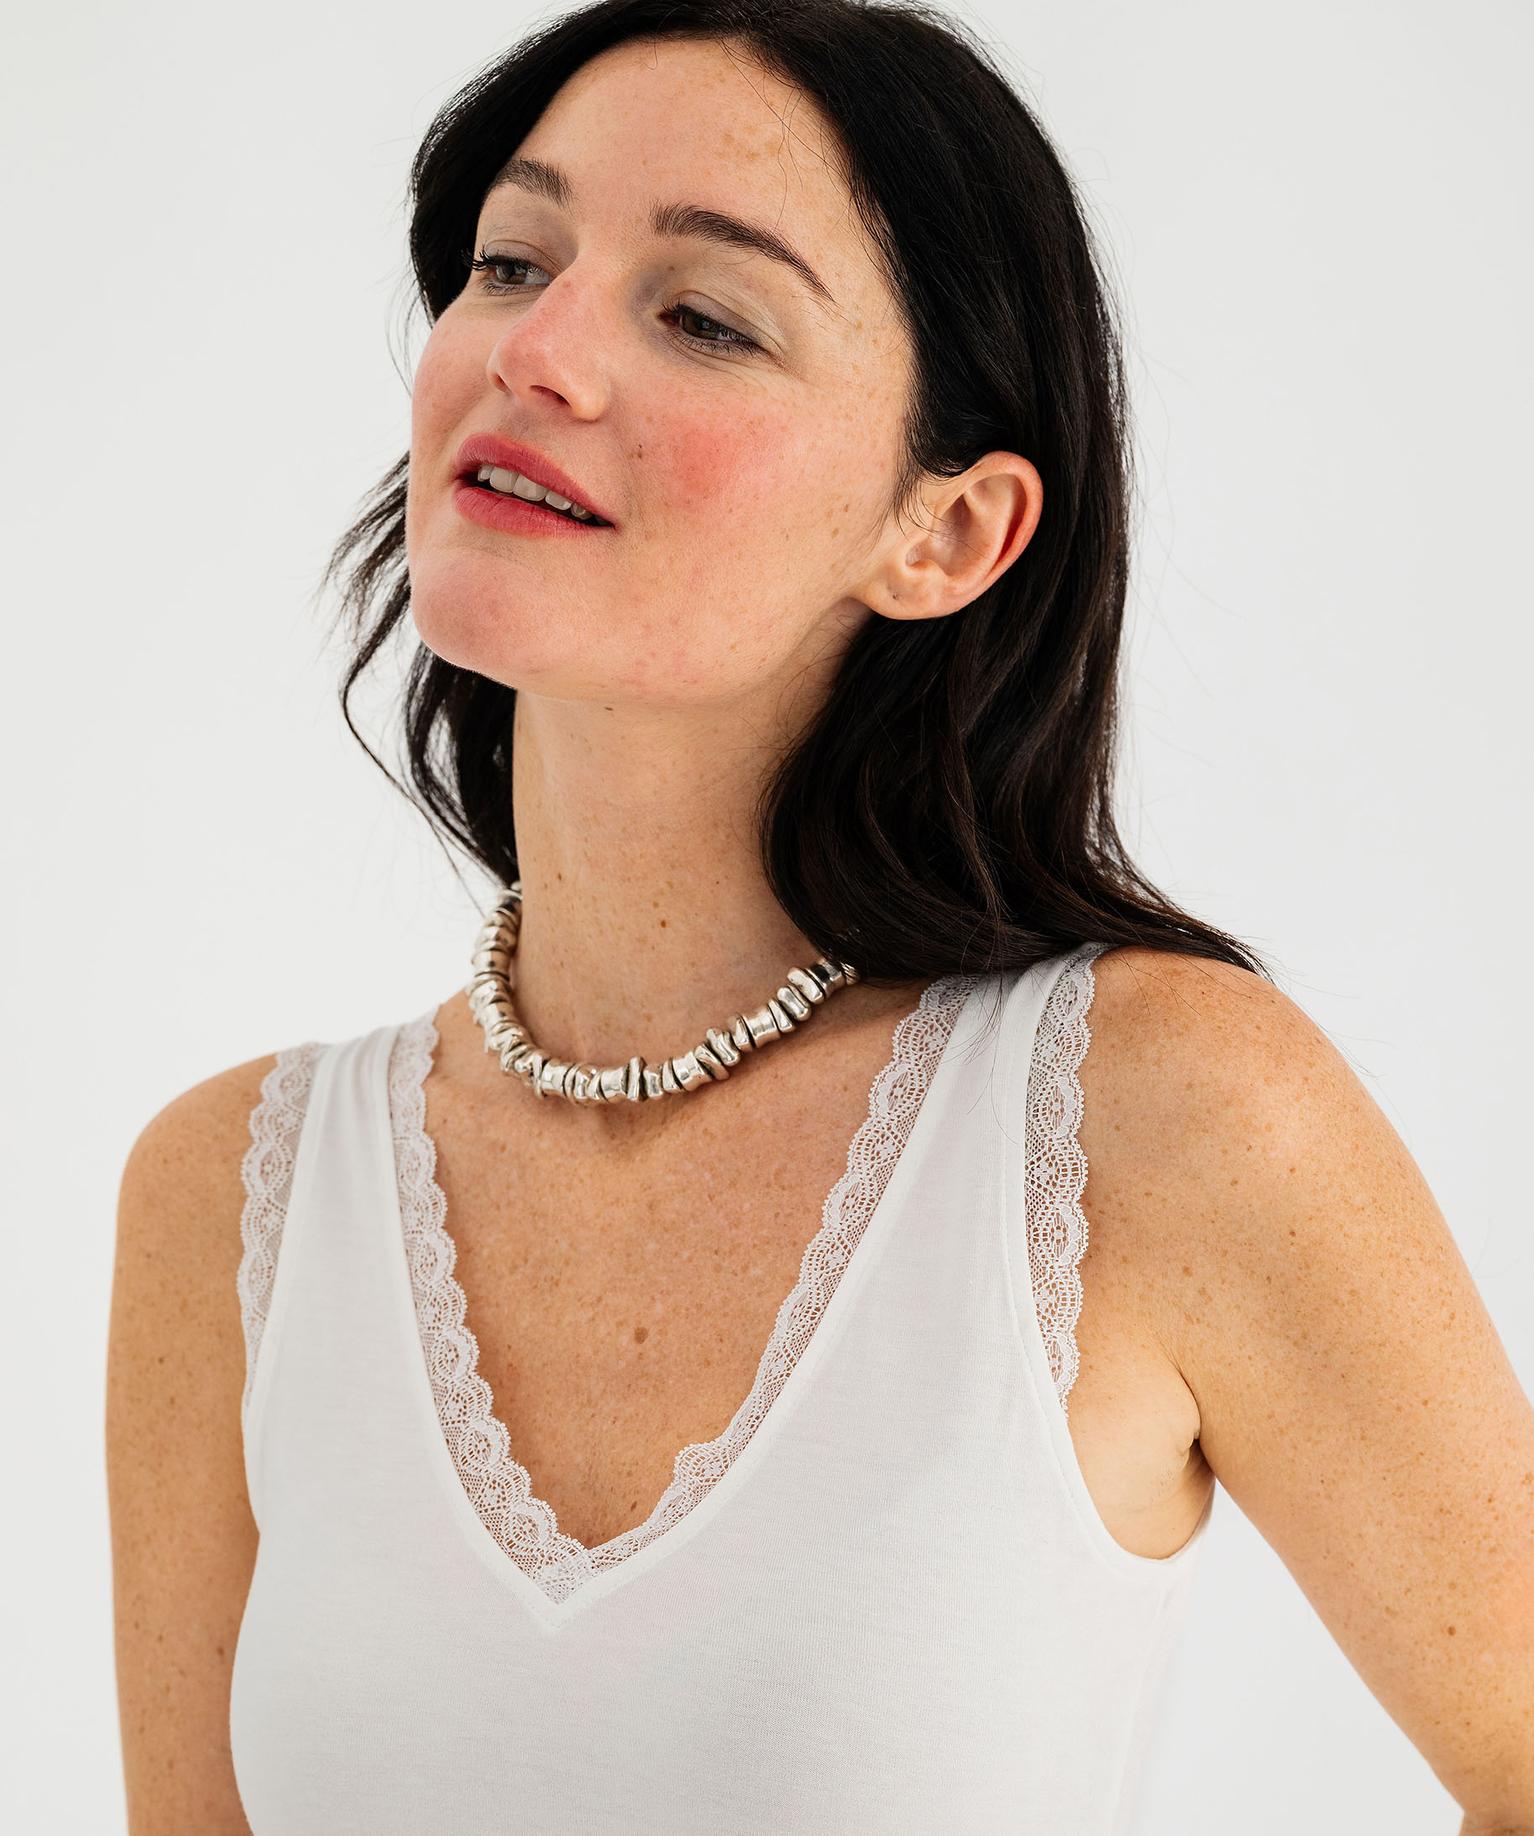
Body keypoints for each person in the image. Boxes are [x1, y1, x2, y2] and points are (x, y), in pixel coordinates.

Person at [106, 2, 1534, 1831]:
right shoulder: (234, 1195)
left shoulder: (1155, 1114)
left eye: (703, 315)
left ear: (946, 535)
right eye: (511, 261)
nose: (532, 350)